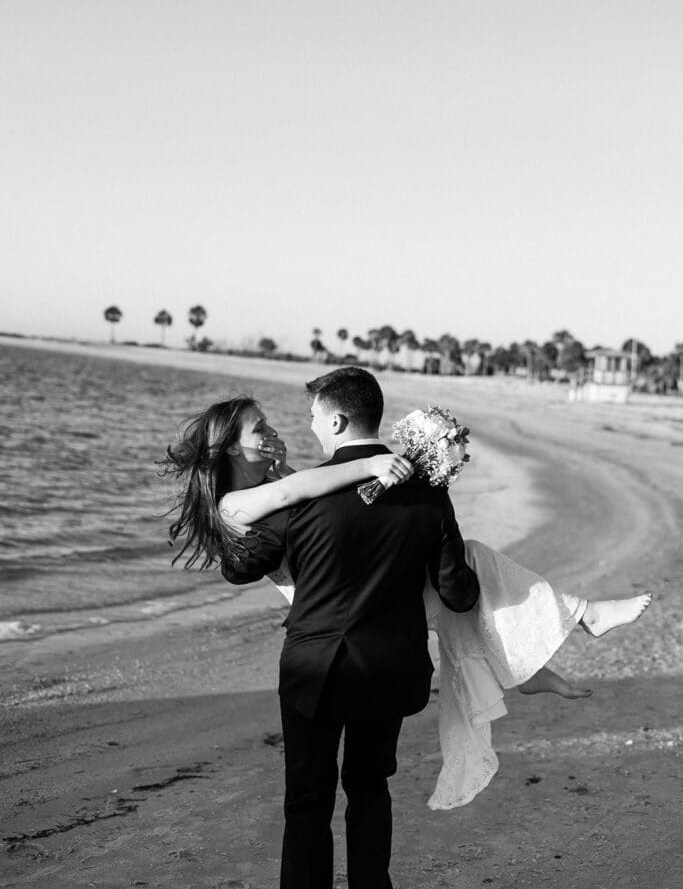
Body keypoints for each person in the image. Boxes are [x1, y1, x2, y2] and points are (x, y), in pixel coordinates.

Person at [165, 370, 651, 885]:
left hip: (316, 666)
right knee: (369, 788)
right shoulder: (426, 495)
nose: (303, 426)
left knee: (308, 799)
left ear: (335, 419)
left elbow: (240, 568)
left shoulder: (297, 499)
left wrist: (262, 501)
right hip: (391, 666)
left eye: (312, 417)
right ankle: (554, 637)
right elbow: (459, 593)